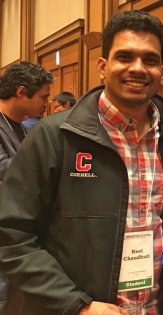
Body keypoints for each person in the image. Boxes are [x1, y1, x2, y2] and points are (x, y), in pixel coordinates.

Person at [0, 9, 163, 315]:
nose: (138, 68)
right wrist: (76, 305)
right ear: (103, 66)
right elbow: (11, 236)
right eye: (125, 57)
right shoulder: (54, 137)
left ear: (162, 72)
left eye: (150, 60)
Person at [0, 61, 53, 314]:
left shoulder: (20, 126)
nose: (47, 104)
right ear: (21, 92)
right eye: (43, 97)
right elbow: (7, 170)